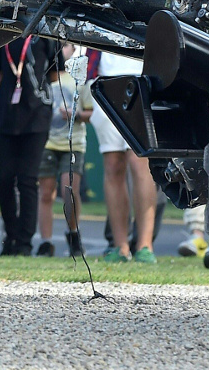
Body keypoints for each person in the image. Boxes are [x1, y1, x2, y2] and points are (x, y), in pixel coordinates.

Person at [88, 51, 159, 263]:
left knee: (139, 163)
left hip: (141, 75)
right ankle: (120, 246)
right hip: (104, 79)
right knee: (113, 165)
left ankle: (145, 245)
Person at [0, 37, 54, 256]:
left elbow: (56, 74)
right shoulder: (2, 35)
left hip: (37, 117)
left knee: (27, 179)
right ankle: (11, 235)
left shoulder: (45, 34)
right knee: (3, 178)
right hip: (7, 116)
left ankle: (24, 243)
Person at [37, 44, 92, 257]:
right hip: (47, 142)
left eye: (67, 46)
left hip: (73, 144)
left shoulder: (80, 78)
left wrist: (75, 114)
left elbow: (91, 113)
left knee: (69, 190)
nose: (62, 50)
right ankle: (45, 242)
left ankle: (73, 234)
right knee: (45, 193)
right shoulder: (45, 76)